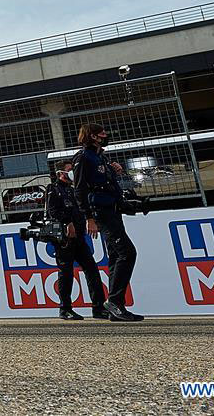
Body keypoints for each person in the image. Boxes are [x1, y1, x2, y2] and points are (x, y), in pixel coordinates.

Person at [72, 124, 144, 322]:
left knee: (115, 256)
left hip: (113, 209)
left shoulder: (101, 157)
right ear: (93, 136)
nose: (106, 136)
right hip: (101, 212)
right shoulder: (83, 157)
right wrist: (89, 217)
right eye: (102, 133)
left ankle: (116, 305)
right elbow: (80, 190)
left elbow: (108, 183)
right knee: (127, 253)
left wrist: (115, 171)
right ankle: (114, 301)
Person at [45, 159, 108, 321]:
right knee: (66, 272)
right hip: (64, 239)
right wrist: (68, 223)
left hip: (80, 237)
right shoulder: (53, 189)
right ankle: (65, 308)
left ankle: (98, 307)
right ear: (60, 173)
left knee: (92, 269)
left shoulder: (75, 189)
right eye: (69, 169)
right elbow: (53, 211)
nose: (72, 172)